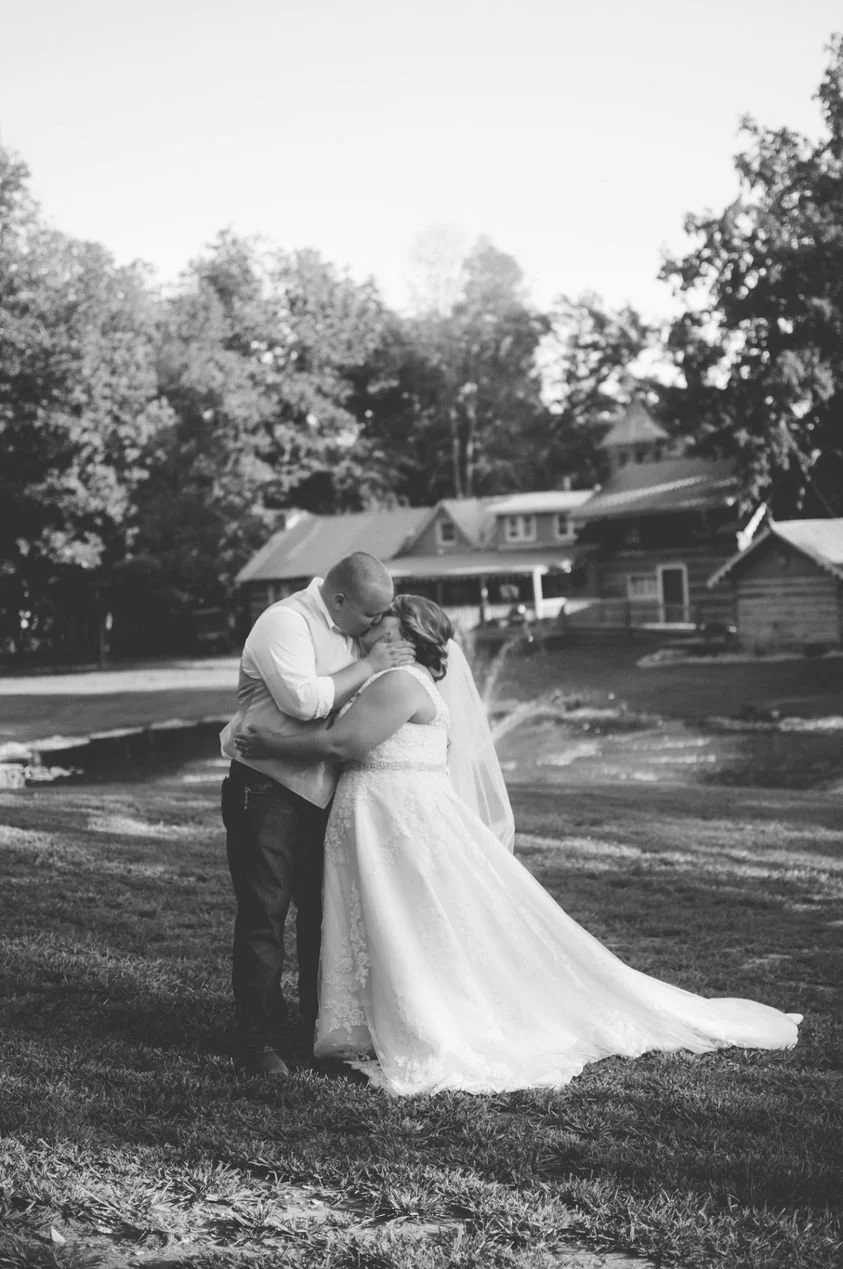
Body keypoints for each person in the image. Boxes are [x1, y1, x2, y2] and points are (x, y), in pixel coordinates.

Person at [235, 595, 802, 1096]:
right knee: (394, 923)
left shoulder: (399, 683)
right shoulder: (398, 680)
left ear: (404, 637)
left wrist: (269, 741)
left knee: (403, 922)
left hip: (394, 824)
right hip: (386, 820)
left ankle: (424, 1021)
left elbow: (341, 744)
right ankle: (373, 1019)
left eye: (385, 622)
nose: (372, 627)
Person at [219, 552, 415, 1077]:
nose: (377, 626)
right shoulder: (285, 622)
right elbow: (305, 701)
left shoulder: (354, 632)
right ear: (340, 599)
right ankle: (255, 1041)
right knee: (265, 916)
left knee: (322, 916)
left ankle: (316, 1030)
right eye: (371, 616)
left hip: (328, 795)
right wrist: (372, 666)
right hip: (267, 791)